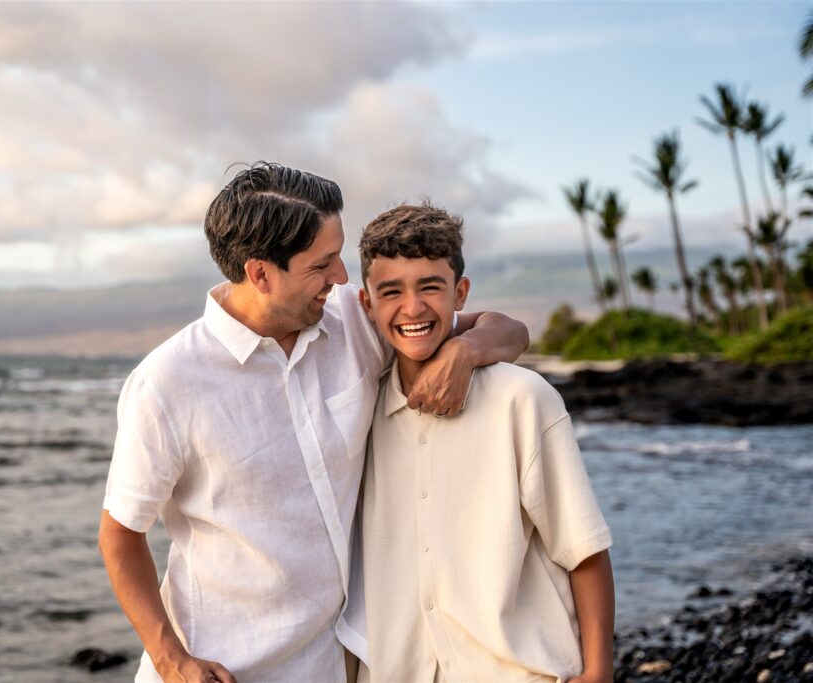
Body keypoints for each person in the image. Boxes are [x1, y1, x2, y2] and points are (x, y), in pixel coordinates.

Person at [98, 164, 529, 683]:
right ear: (260, 274)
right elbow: (121, 535)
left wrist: (465, 351)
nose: (343, 278)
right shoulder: (167, 383)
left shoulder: (352, 320)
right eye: (323, 264)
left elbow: (507, 329)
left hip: (335, 660)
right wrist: (172, 661)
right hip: (225, 668)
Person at [353, 202, 614, 683]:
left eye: (430, 287)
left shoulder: (522, 400)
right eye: (391, 292)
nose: (412, 308)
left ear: (460, 293)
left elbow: (583, 548)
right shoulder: (359, 415)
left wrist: (599, 672)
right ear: (367, 304)